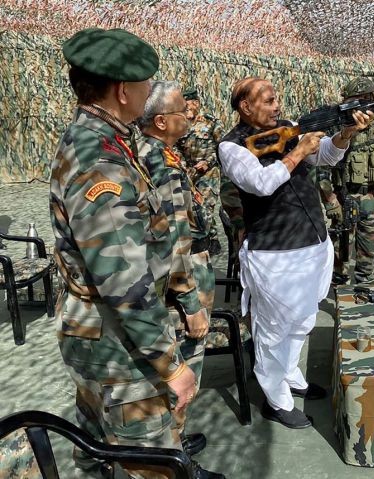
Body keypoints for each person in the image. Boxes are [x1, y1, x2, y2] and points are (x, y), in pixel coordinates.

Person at [50, 28, 197, 479]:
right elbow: (123, 281)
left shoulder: (105, 141)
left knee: (96, 449)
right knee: (150, 464)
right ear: (123, 90)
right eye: (147, 84)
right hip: (121, 349)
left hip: (100, 337)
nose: (151, 92)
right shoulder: (102, 161)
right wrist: (171, 367)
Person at [217, 77, 370, 429]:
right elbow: (260, 182)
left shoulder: (288, 129)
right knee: (272, 328)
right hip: (274, 252)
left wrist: (345, 134)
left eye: (277, 100)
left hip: (312, 243)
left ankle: (290, 376)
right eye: (269, 101)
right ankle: (276, 398)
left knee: (303, 320)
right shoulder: (232, 146)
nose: (277, 107)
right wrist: (298, 151)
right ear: (246, 107)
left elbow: (327, 156)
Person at [137, 81, 225, 479]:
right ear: (160, 121)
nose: (188, 116)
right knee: (183, 371)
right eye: (180, 112)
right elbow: (173, 240)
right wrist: (191, 306)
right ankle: (174, 462)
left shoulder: (155, 153)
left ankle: (173, 442)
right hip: (180, 283)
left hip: (179, 275)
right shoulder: (160, 162)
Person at [318, 77, 374, 284]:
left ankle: (363, 282)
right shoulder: (337, 129)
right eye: (357, 99)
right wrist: (331, 201)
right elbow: (322, 170)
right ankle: (338, 281)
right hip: (344, 197)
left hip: (370, 197)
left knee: (369, 245)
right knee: (341, 246)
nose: (363, 103)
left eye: (367, 98)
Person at [175, 88, 226, 255]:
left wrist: (208, 162)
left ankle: (206, 244)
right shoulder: (180, 123)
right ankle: (211, 240)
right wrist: (183, 165)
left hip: (209, 172)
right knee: (195, 207)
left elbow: (223, 147)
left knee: (205, 206)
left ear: (197, 103)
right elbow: (175, 146)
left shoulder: (211, 122)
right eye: (186, 105)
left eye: (192, 104)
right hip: (189, 172)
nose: (189, 108)